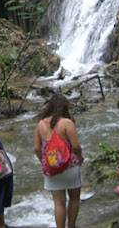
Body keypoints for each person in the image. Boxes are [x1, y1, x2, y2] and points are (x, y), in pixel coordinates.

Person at [33, 94, 84, 228]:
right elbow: (76, 146)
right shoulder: (67, 123)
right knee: (74, 199)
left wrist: (44, 161)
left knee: (59, 203)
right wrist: (80, 157)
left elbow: (37, 148)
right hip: (70, 166)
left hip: (51, 169)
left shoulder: (40, 125)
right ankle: (71, 226)